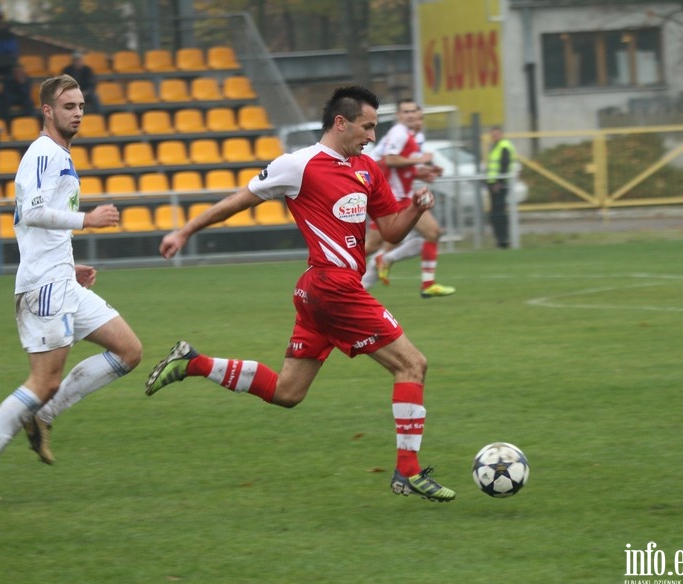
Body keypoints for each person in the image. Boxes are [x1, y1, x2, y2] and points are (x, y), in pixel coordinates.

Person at [145, 85, 456, 503]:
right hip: (333, 287)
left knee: (288, 392)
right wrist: (185, 230)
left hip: (320, 292)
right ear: (341, 123)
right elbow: (240, 200)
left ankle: (194, 363)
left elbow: (390, 231)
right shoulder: (299, 165)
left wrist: (416, 208)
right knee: (412, 365)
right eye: (366, 127)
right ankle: (408, 472)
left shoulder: (366, 169)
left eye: (375, 128)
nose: (371, 136)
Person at [0, 74, 143, 502]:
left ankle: (43, 417)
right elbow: (33, 212)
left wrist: (70, 265)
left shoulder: (58, 154)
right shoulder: (43, 153)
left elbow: (35, 225)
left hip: (60, 279)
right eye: (68, 106)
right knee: (43, 381)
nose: (77, 113)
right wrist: (86, 220)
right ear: (48, 111)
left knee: (128, 351)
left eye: (80, 106)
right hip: (44, 289)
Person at [361, 100, 455, 298]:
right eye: (407, 112)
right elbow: (390, 160)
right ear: (399, 116)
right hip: (388, 197)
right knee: (373, 246)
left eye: (416, 113)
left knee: (432, 234)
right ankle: (339, 275)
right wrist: (421, 162)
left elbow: (404, 167)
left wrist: (424, 173)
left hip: (401, 197)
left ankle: (426, 282)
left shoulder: (412, 136)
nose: (412, 116)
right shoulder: (399, 133)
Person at [485, 125, 516, 249]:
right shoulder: (495, 147)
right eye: (493, 134)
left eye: (496, 134)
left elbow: (504, 165)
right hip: (493, 184)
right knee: (495, 213)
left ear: (501, 134)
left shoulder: (504, 146)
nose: (494, 136)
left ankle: (504, 240)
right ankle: (500, 239)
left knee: (499, 212)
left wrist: (499, 182)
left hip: (500, 185)